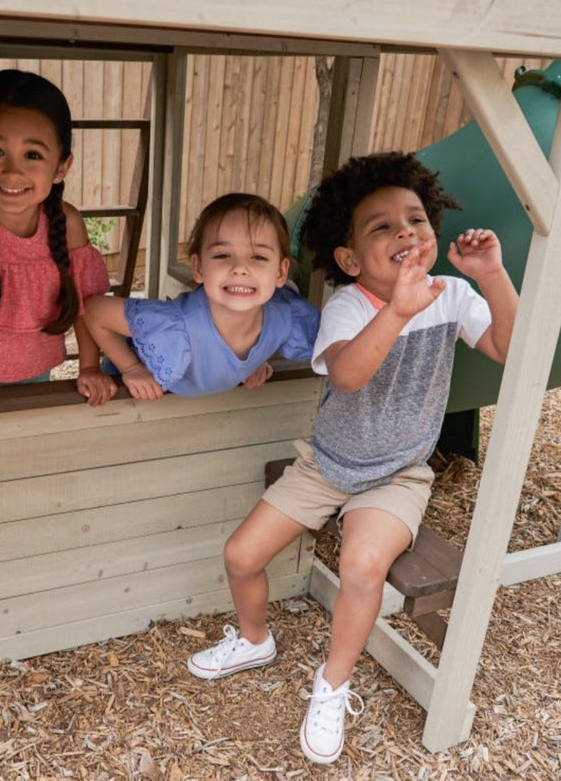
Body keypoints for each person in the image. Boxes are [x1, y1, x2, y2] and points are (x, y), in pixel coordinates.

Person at [186, 152, 519, 764]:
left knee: (364, 567)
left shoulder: (453, 294)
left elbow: (509, 347)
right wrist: (397, 311)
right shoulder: (349, 305)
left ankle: (333, 684)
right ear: (349, 259)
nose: (405, 233)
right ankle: (255, 638)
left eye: (415, 220)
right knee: (241, 554)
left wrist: (493, 276)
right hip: (326, 464)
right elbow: (347, 374)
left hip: (398, 475)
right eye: (381, 227)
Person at [0, 69, 117, 421]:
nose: (13, 172)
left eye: (32, 155)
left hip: (37, 377)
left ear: (62, 166)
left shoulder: (67, 223)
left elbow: (88, 307)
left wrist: (89, 367)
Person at [83, 192, 320, 399]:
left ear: (280, 272)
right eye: (222, 255)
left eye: (258, 257)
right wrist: (131, 367)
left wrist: (258, 359)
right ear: (198, 268)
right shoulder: (178, 324)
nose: (240, 268)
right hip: (131, 383)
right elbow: (94, 311)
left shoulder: (285, 316)